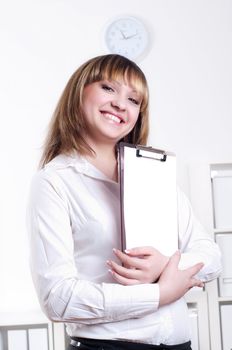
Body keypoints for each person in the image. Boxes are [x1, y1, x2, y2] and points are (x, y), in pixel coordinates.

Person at [27, 54, 221, 350]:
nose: (120, 103)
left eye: (134, 100)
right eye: (108, 88)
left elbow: (211, 254)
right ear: (78, 93)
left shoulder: (155, 173)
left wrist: (166, 266)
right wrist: (160, 293)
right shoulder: (54, 181)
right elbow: (58, 298)